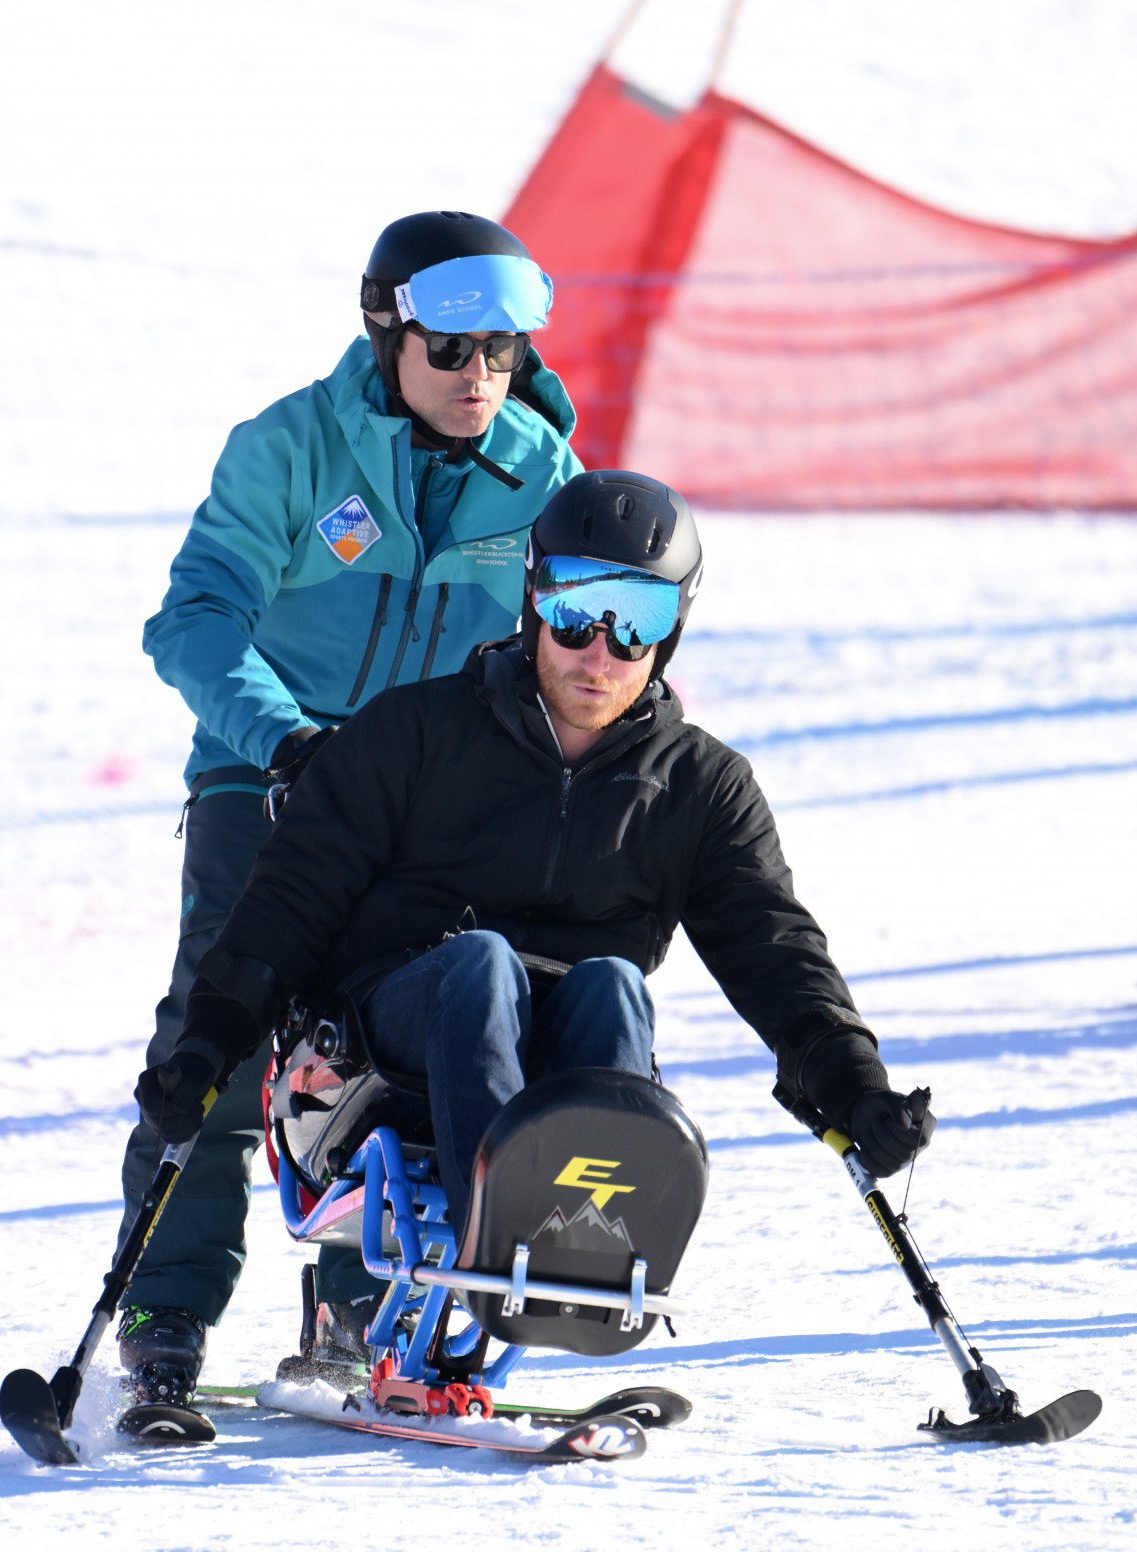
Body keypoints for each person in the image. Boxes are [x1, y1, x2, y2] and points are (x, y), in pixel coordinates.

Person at [135, 469, 936, 1368]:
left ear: (673, 631)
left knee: (610, 984)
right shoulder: (412, 733)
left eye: (636, 618)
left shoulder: (700, 789)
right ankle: (497, 1237)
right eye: (576, 608)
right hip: (366, 1074)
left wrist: (855, 1083)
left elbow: (776, 950)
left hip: (559, 1080)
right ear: (532, 598)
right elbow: (287, 901)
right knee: (480, 964)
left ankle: (592, 1250)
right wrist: (207, 1043)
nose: (601, 649)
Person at [116, 211, 582, 1403]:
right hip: (265, 774)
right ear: (388, 334)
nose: (481, 376)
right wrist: (283, 739)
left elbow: (580, 643)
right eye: (453, 350)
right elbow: (195, 617)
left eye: (506, 350)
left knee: (393, 1045)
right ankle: (165, 1313)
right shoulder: (291, 448)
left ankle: (359, 1308)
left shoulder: (541, 473)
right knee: (219, 1037)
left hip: (425, 804)